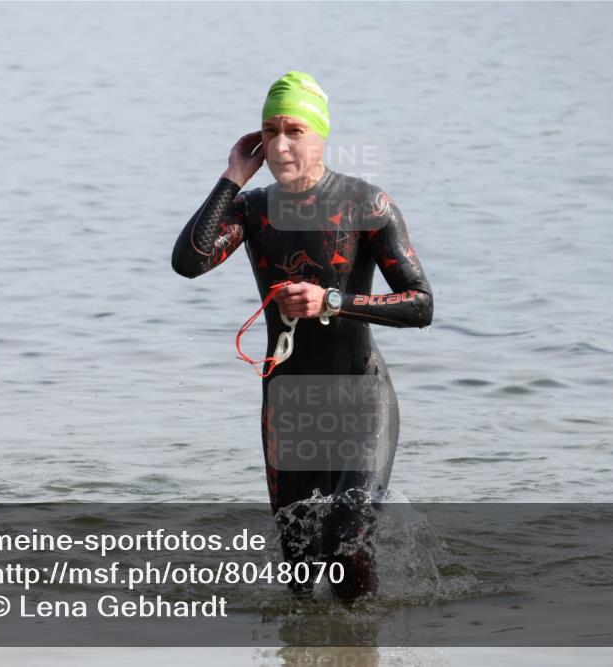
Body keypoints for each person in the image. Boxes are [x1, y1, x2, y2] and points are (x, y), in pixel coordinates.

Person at [171, 71, 433, 601]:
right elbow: (189, 262)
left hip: (361, 397)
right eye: (271, 131)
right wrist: (232, 179)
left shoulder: (366, 205)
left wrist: (332, 301)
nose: (282, 144)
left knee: (345, 536)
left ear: (321, 135)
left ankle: (363, 642)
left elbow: (421, 304)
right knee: (300, 574)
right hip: (289, 401)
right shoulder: (253, 208)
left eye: (295, 129)